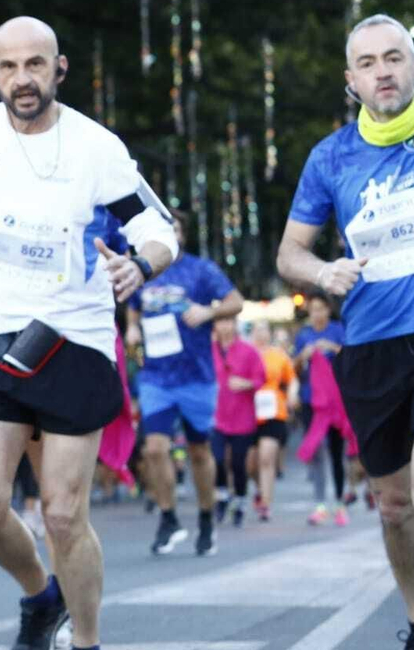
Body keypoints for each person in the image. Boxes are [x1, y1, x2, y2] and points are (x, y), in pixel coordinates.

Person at [0, 16, 178, 650]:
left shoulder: (97, 149)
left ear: (59, 69)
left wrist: (139, 265)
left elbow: (158, 229)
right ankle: (42, 598)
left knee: (65, 512)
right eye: (9, 67)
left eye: (36, 66)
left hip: (74, 341)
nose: (23, 80)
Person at [277, 13, 414, 650]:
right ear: (351, 80)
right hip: (371, 348)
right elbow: (290, 254)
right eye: (368, 63)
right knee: (395, 506)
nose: (383, 71)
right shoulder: (331, 157)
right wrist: (320, 274)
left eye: (395, 57)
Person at [125, 212, 244, 555]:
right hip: (156, 377)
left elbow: (236, 302)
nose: (168, 235)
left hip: (196, 377)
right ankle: (168, 517)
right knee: (155, 449)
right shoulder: (143, 270)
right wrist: (132, 327)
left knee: (199, 452)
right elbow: (133, 307)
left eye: (174, 230)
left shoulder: (201, 269)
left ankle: (206, 519)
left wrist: (209, 313)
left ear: (182, 236)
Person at [293, 292, 349, 523]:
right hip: (311, 401)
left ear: (328, 309)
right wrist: (303, 357)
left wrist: (333, 348)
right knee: (316, 451)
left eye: (321, 308)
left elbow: (351, 358)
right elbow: (294, 369)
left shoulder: (338, 330)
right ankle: (319, 504)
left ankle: (339, 501)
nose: (317, 313)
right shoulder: (304, 335)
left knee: (337, 452)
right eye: (313, 309)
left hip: (336, 401)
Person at [211, 313, 266, 529]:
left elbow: (261, 379)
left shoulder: (248, 351)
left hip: (242, 416)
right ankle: (223, 494)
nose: (224, 326)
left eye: (228, 322)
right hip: (215, 415)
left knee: (238, 462)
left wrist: (245, 384)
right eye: (220, 321)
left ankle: (241, 501)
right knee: (216, 459)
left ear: (235, 324)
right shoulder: (208, 350)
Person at [250, 319, 295, 521]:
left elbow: (292, 379)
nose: (260, 334)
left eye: (264, 330)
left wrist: (293, 394)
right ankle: (259, 489)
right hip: (247, 412)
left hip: (273, 411)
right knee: (250, 464)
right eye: (257, 331)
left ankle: (266, 503)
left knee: (267, 458)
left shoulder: (278, 355)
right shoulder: (245, 353)